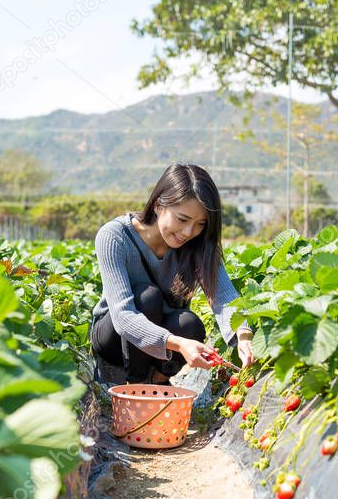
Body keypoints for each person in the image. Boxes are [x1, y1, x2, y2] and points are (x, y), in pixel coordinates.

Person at [90, 163, 254, 385]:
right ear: (158, 205)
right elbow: (122, 316)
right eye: (182, 219)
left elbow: (224, 297)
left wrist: (244, 336)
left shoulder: (198, 245)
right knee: (147, 297)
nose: (189, 232)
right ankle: (135, 386)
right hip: (114, 340)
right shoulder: (115, 236)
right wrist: (177, 344)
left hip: (161, 347)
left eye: (200, 224)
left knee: (189, 324)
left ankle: (158, 381)